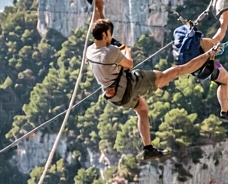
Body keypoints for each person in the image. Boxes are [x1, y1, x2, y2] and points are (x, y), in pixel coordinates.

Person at [86, 14, 216, 160]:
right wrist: (127, 49)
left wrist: (114, 47)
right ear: (104, 34)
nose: (111, 38)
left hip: (114, 96)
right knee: (174, 72)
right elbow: (129, 64)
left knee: (142, 109)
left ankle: (148, 148)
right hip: (128, 86)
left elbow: (109, 54)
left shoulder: (90, 50)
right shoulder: (111, 51)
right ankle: (209, 55)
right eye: (109, 34)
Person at [174, 6, 228, 123]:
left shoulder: (185, 44)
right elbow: (221, 33)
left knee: (222, 77)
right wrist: (225, 16)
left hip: (193, 67)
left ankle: (225, 101)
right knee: (224, 79)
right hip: (204, 67)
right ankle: (225, 111)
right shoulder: (205, 43)